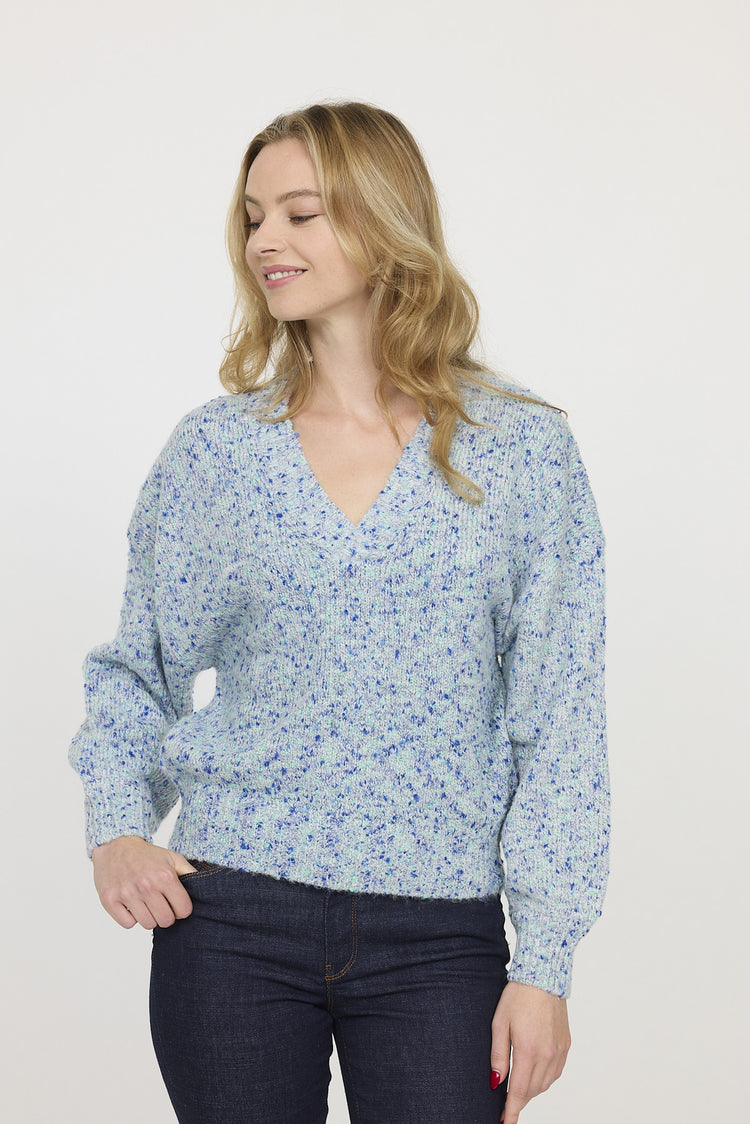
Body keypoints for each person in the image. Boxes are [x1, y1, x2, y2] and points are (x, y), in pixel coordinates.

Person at [68, 100, 610, 1124]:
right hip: (231, 916)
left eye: (301, 213)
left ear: (382, 219)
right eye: (253, 217)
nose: (264, 241)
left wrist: (545, 962)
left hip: (440, 932)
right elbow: (137, 667)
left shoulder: (522, 451)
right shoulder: (218, 452)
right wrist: (117, 827)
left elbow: (561, 717)